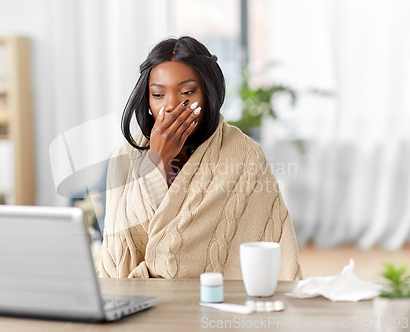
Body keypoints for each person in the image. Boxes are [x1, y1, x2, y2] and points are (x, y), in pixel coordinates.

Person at [99, 36, 302, 280]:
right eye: (158, 95)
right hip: (141, 305)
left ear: (208, 93)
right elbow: (117, 261)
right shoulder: (124, 159)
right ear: (147, 98)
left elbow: (278, 261)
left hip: (220, 306)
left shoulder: (246, 155)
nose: (171, 106)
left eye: (186, 92)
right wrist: (156, 161)